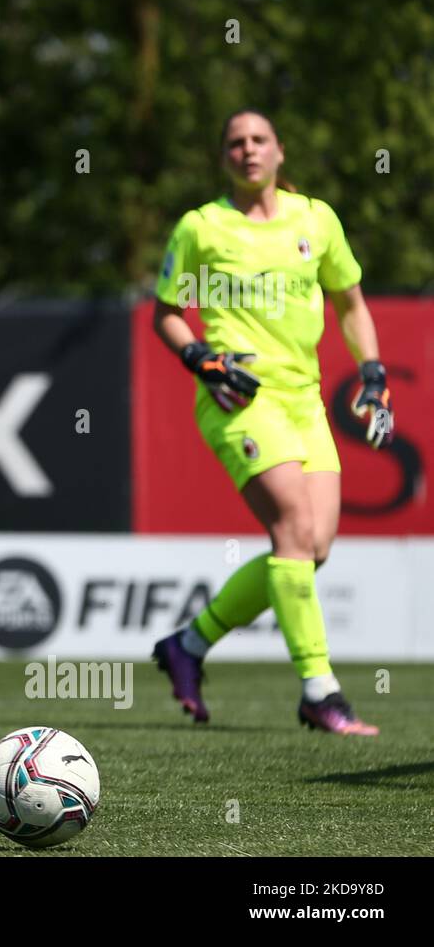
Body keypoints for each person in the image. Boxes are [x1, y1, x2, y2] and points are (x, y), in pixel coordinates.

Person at [150, 108, 393, 737]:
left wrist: (371, 371)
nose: (248, 150)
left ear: (280, 151)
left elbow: (352, 303)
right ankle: (321, 690)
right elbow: (168, 312)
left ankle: (188, 644)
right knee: (293, 528)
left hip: (305, 401)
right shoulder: (203, 228)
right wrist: (198, 357)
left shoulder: (316, 219)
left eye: (259, 140)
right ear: (224, 156)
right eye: (235, 143)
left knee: (312, 549)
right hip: (239, 397)